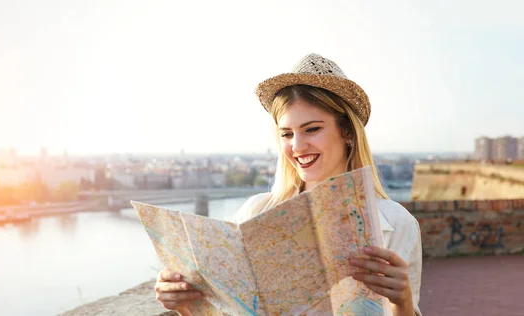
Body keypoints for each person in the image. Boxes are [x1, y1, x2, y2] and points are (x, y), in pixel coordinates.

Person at [153, 53, 423, 316]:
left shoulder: (397, 223)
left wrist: (403, 302)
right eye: (286, 134)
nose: (297, 146)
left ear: (348, 132)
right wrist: (184, 305)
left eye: (312, 129)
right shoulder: (253, 213)